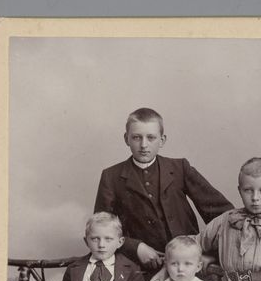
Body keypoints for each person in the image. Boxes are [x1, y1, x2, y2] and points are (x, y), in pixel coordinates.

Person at [94, 107, 233, 271]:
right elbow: (100, 228)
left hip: (187, 263)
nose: (144, 145)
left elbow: (224, 215)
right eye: (137, 137)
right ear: (126, 139)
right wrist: (135, 247)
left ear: (162, 140)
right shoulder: (111, 176)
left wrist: (211, 253)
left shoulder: (180, 168)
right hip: (140, 267)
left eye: (151, 137)